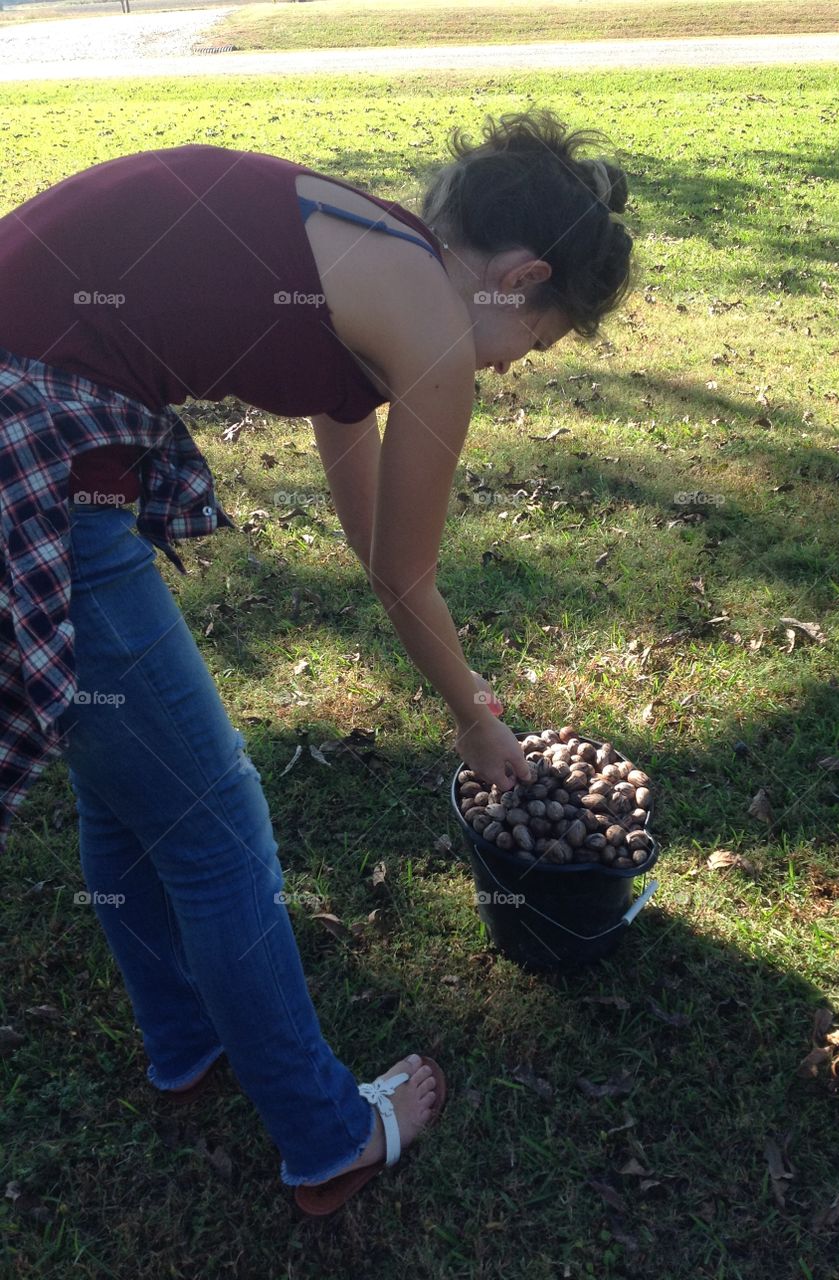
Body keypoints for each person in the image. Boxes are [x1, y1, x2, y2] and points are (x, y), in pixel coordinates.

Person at [0, 108, 633, 1214]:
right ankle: (328, 1137)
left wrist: (423, 633)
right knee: (215, 820)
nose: (515, 363)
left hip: (42, 394)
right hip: (35, 434)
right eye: (537, 338)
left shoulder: (373, 251)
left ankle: (187, 1042)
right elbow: (406, 577)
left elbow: (371, 522)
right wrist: (476, 715)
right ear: (521, 277)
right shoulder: (433, 325)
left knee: (133, 773)